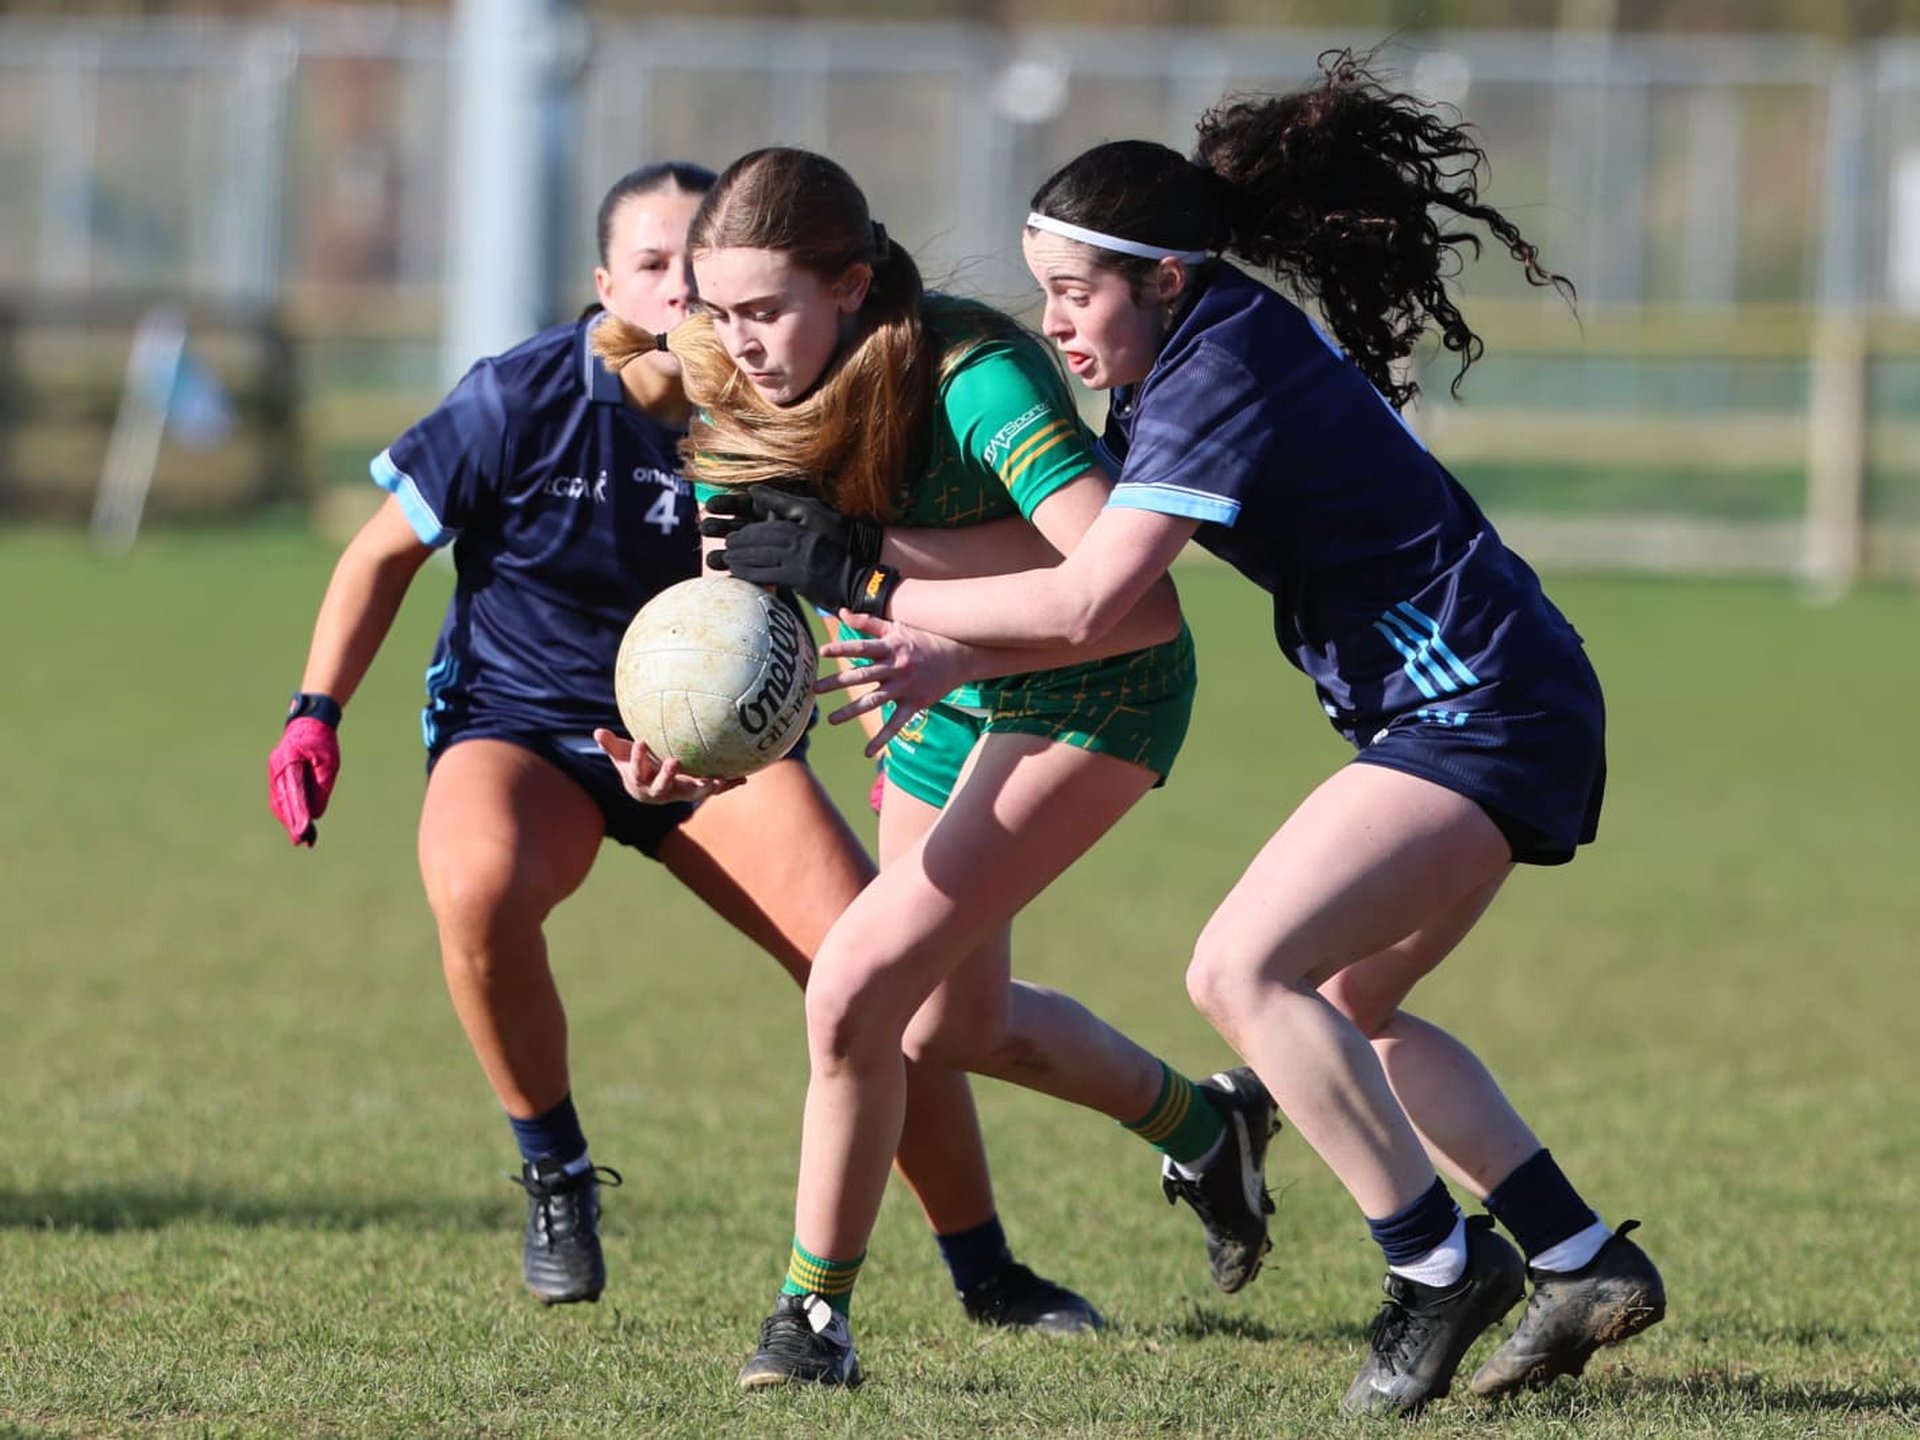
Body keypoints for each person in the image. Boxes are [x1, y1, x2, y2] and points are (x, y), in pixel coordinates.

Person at [720, 56, 1667, 1417]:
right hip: (1490, 697)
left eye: (1074, 293)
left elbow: (1101, 600)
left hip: (1478, 705)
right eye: (1043, 292)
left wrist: (866, 578)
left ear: (1164, 279)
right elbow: (1071, 590)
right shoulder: (1194, 356)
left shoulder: (1215, 368)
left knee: (1240, 970)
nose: (1053, 323)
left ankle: (1437, 1269)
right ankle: (1577, 1258)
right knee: (1348, 1016)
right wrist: (942, 638)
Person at [264, 161, 1113, 1334]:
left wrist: (883, 725)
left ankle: (988, 1270)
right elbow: (379, 553)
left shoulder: (779, 402)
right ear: (607, 284)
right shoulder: (519, 398)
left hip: (725, 738)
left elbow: (831, 576)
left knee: (869, 974)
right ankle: (556, 1171)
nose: (682, 295)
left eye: (700, 275)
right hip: (523, 726)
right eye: (652, 265)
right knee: (476, 889)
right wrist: (316, 709)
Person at [593, 146, 1280, 1391]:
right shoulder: (736, 384)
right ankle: (1207, 1123)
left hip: (1089, 690)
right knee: (947, 1025)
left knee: (852, 984)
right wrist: (690, 748)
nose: (739, 343)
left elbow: (1124, 602)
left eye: (766, 311)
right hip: (929, 693)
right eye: (719, 311)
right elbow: (736, 613)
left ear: (851, 285)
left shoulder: (973, 375)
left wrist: (866, 558)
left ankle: (811, 1321)